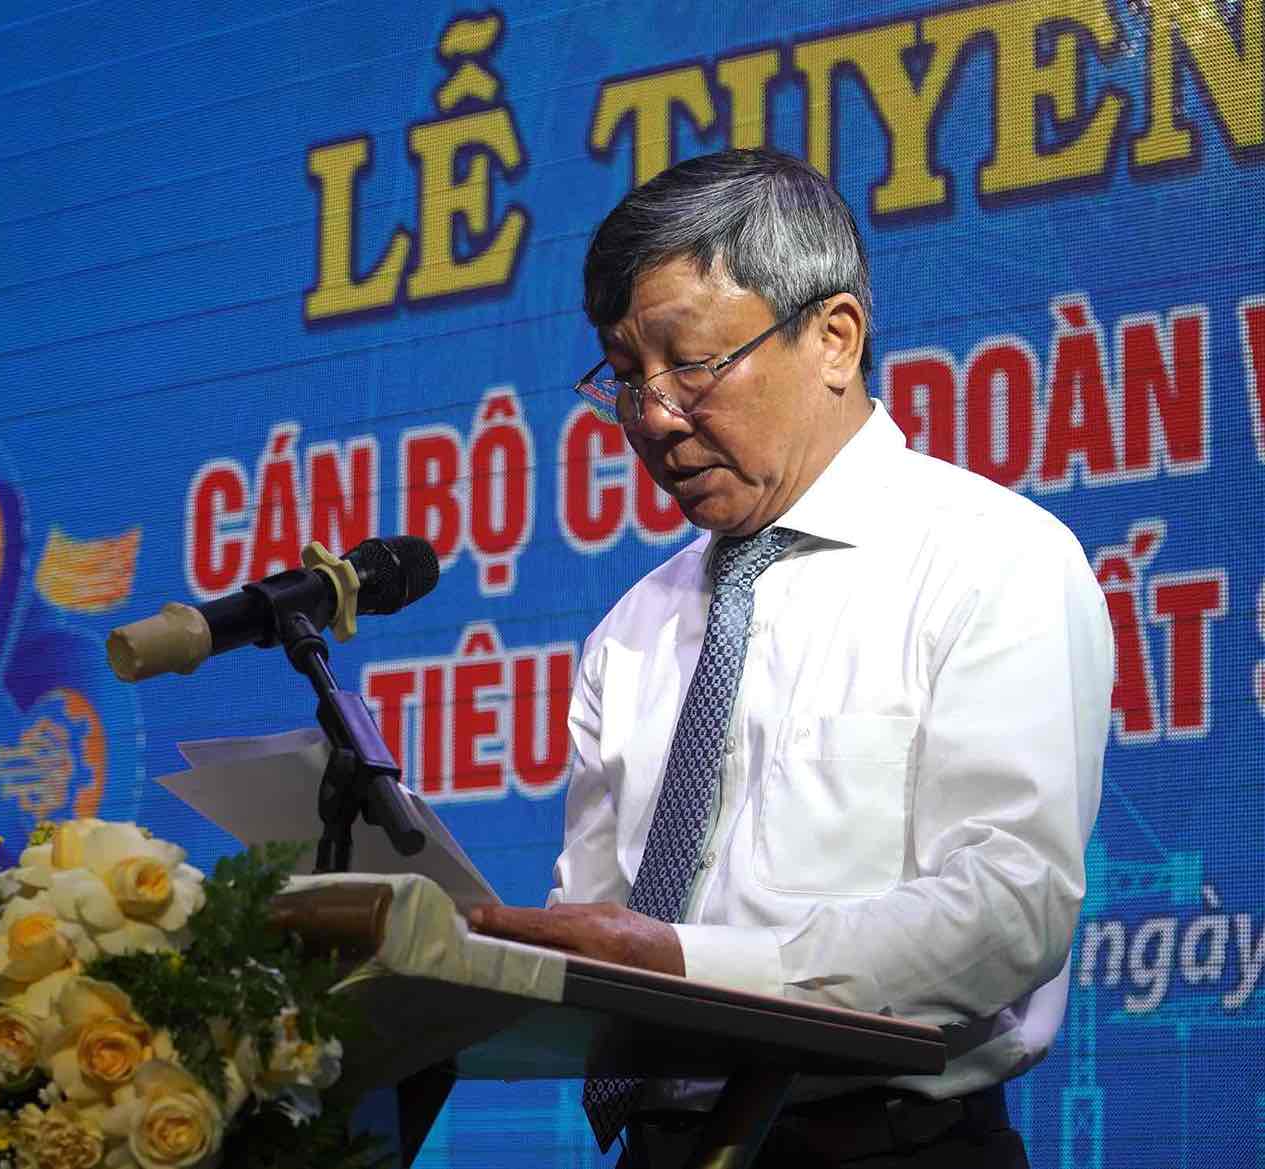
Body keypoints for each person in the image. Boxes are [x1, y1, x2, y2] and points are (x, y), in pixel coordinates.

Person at [468, 149, 1114, 1168]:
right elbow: (593, 933)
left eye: (690, 362)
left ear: (833, 336)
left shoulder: (993, 561)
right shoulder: (629, 632)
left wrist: (690, 963)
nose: (654, 416)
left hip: (884, 1146)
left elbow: (1007, 911)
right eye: (626, 376)